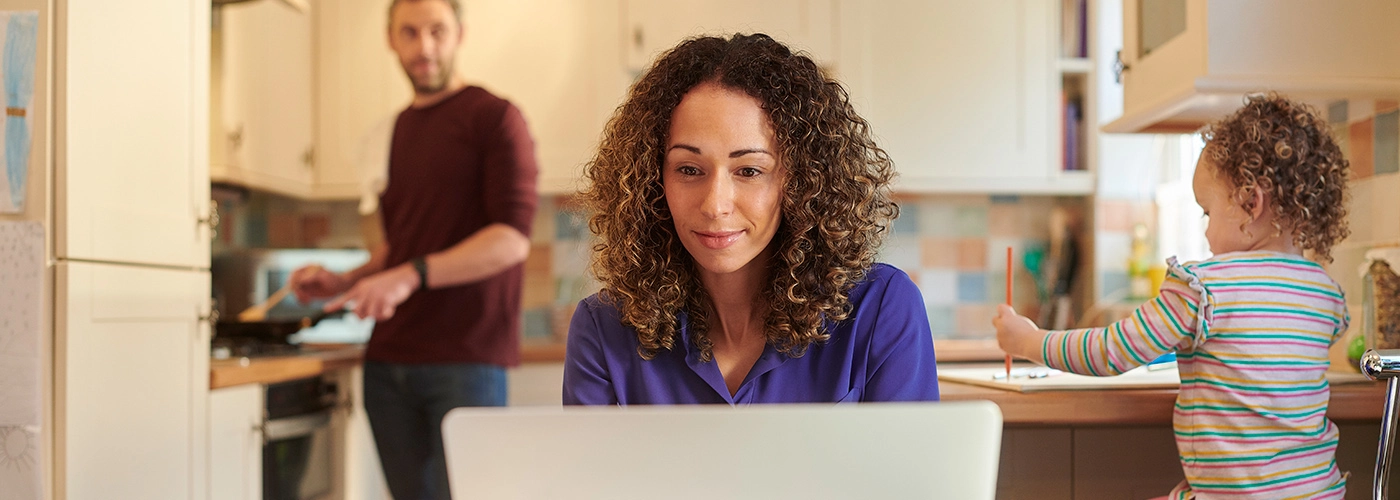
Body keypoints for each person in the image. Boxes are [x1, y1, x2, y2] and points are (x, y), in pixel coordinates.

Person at [995, 93, 1351, 499]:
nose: (1204, 231)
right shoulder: (1325, 293)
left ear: (1251, 204)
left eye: (1207, 212)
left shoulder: (1205, 288)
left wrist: (1028, 340)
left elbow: (1112, 351)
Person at [563, 33, 939, 405]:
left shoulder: (881, 308)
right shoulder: (603, 328)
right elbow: (587, 467)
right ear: (652, 179)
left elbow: (910, 466)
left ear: (801, 181)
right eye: (690, 170)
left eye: (749, 171)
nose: (715, 205)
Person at [287, 0, 538, 498]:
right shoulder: (390, 133)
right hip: (388, 365)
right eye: (410, 33)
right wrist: (345, 281)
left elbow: (510, 239)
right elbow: (399, 248)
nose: (424, 47)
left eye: (436, 31)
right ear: (391, 40)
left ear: (459, 33)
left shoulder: (495, 118)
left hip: (466, 361)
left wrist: (408, 276)